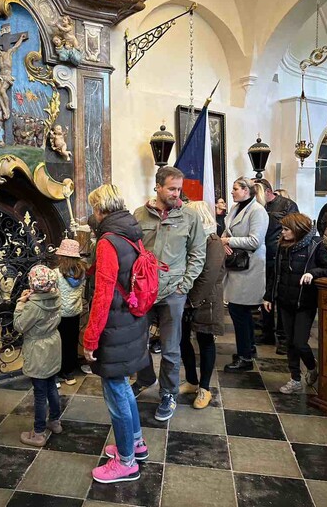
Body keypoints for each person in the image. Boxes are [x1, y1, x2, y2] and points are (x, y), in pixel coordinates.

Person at [83, 184, 148, 484]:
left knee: (116, 393)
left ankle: (126, 462)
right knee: (123, 386)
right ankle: (136, 443)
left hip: (114, 326)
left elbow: (103, 294)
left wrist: (90, 338)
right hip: (131, 320)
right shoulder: (132, 230)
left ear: (100, 209)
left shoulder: (108, 241)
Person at [132, 166, 206, 421]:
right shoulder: (140, 214)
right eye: (172, 189)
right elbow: (134, 250)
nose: (177, 193)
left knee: (171, 348)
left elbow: (198, 253)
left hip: (173, 291)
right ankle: (145, 378)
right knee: (138, 341)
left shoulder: (190, 217)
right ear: (158, 187)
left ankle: (168, 393)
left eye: (179, 189)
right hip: (144, 291)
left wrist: (184, 285)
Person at [264, 213, 327, 393]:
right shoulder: (282, 246)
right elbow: (275, 274)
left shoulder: (315, 246)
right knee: (290, 343)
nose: (283, 232)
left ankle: (311, 366)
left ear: (298, 229)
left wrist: (313, 273)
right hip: (284, 301)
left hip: (305, 303)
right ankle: (295, 379)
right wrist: (269, 296)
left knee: (300, 342)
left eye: (286, 229)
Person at [180, 201, 225, 408]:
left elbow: (208, 276)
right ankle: (191, 380)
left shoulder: (213, 241)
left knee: (205, 341)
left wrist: (192, 301)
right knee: (183, 340)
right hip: (188, 297)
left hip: (206, 299)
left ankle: (205, 388)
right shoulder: (192, 238)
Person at [222, 177, 269, 372]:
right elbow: (229, 232)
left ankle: (245, 358)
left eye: (235, 189)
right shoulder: (237, 208)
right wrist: (225, 242)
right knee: (240, 310)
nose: (232, 192)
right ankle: (248, 348)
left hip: (250, 267)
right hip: (237, 266)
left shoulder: (257, 211)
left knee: (238, 311)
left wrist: (228, 242)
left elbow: (255, 241)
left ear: (246, 191)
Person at [14, 264, 62, 447]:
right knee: (52, 386)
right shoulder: (56, 296)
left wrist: (20, 304)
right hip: (53, 344)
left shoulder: (33, 306)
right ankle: (55, 421)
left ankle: (39, 432)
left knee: (40, 393)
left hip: (38, 349)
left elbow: (19, 325)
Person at [255, 178, 298, 348]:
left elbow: (294, 229)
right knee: (265, 294)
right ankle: (267, 332)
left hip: (280, 254)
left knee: (280, 297)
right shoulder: (258, 206)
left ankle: (283, 337)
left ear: (267, 191)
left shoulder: (287, 205)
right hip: (262, 255)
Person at [55, 238, 87, 385]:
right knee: (71, 341)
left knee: (58, 343)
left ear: (62, 256)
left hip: (60, 313)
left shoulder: (56, 273)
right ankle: (69, 373)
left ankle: (57, 372)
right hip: (74, 311)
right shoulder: (81, 272)